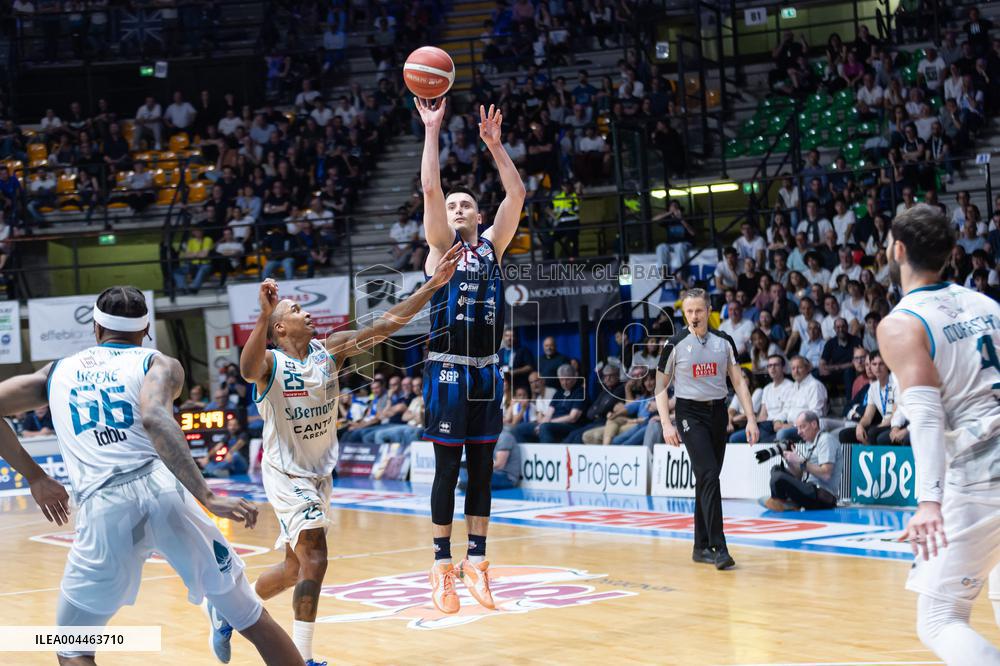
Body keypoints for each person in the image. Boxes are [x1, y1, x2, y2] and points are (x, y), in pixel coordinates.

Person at [0, 286, 303, 665]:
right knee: (252, 618)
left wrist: (35, 477)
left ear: (96, 328)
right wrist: (206, 496)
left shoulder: (57, 372)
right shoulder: (159, 363)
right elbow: (155, 415)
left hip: (104, 506)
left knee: (72, 646)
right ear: (145, 331)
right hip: (164, 492)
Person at [235, 251, 459, 665]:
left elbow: (385, 326)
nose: (309, 313)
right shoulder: (271, 362)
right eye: (298, 309)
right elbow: (247, 370)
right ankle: (302, 659)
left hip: (320, 473)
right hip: (286, 473)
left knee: (292, 570)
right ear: (280, 326)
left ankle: (228, 608)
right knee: (315, 556)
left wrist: (433, 286)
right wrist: (262, 316)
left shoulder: (329, 350)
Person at [877, 204, 1000, 664]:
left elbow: (925, 418)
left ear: (899, 249)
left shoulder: (901, 323)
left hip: (980, 472)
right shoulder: (986, 304)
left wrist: (929, 501)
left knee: (940, 619)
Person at [416, 98, 525, 615]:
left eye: (466, 206)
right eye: (452, 206)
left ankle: (477, 561)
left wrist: (496, 146)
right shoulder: (440, 249)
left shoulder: (493, 248)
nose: (456, 210)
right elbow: (431, 188)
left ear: (479, 217)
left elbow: (517, 192)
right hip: (446, 372)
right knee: (447, 469)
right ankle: (441, 566)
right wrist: (432, 130)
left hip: (486, 372)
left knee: (481, 471)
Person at [655, 288, 759, 570]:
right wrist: (667, 424)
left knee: (706, 479)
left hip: (717, 413)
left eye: (699, 310)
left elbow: (738, 382)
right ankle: (719, 546)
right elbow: (660, 387)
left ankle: (700, 547)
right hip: (690, 414)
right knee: (710, 475)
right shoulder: (675, 343)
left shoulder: (723, 342)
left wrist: (750, 418)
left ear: (709, 311)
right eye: (689, 311)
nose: (693, 316)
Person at [766, 411, 843, 511]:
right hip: (809, 490)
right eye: (797, 428)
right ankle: (783, 502)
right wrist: (790, 460)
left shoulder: (826, 440)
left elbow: (826, 474)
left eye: (802, 427)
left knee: (778, 477)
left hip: (823, 495)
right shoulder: (809, 443)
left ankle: (780, 502)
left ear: (814, 424)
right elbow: (799, 475)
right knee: (776, 469)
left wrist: (801, 461)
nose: (798, 432)